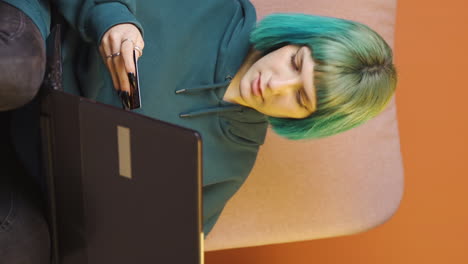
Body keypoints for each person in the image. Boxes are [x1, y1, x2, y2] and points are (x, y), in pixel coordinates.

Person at [2, 0, 396, 254]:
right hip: (43, 42)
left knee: (22, 245)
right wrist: (114, 19)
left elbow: (165, 238)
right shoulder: (219, 10)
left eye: (300, 98)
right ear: (294, 40)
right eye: (295, 62)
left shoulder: (234, 159)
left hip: (42, 160)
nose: (277, 84)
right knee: (14, 72)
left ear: (306, 121)